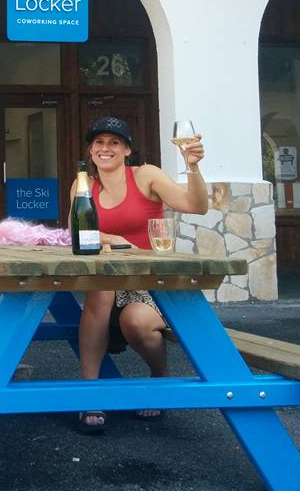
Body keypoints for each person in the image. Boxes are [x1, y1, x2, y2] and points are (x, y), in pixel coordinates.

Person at [72, 116, 208, 433]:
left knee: (136, 321)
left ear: (127, 150)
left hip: (150, 284)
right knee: (101, 288)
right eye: (99, 142)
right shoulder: (83, 185)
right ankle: (89, 393)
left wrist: (192, 167)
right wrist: (114, 239)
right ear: (91, 150)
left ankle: (160, 376)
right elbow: (76, 233)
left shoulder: (146, 175)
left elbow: (196, 206)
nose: (105, 148)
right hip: (108, 284)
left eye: (114, 142)